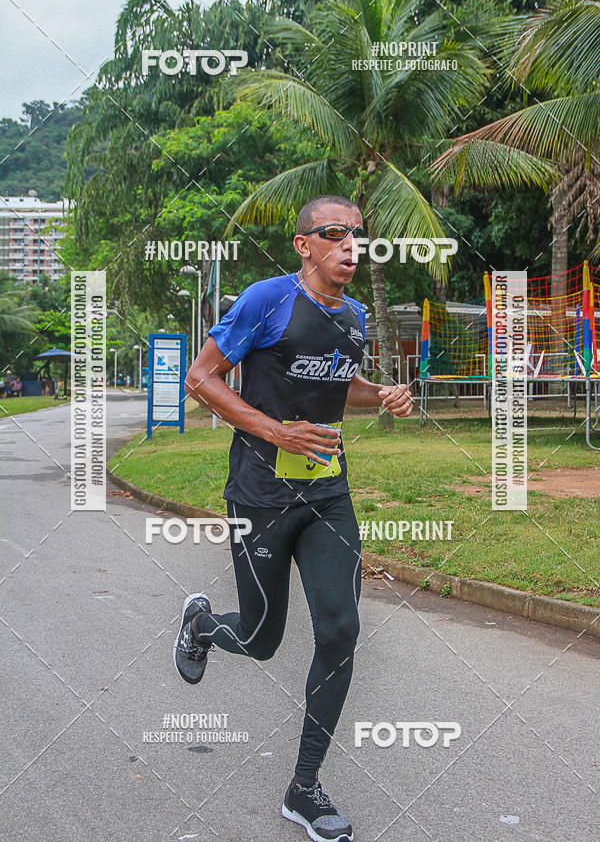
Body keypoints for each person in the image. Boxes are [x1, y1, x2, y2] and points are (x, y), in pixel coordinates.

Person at [177, 195, 413, 842]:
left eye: (357, 234)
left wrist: (381, 394)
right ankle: (202, 624)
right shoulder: (266, 300)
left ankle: (304, 787)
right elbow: (201, 378)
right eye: (334, 233)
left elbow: (342, 387)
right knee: (261, 639)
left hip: (327, 495)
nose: (350, 245)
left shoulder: (355, 316)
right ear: (303, 244)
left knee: (339, 631)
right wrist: (276, 431)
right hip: (259, 497)